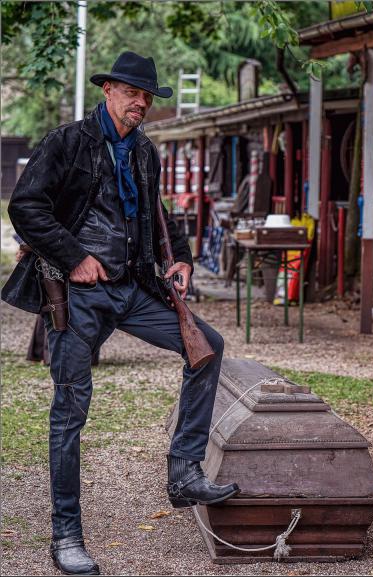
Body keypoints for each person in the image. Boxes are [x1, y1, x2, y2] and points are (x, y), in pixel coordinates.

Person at [2, 52, 239, 576]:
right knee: (69, 415)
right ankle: (66, 537)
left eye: (148, 97)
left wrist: (178, 256)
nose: (141, 104)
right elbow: (26, 207)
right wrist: (74, 256)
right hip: (78, 294)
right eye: (133, 93)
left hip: (132, 289)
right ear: (108, 89)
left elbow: (160, 214)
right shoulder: (67, 141)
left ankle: (183, 470)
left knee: (207, 349)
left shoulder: (145, 153)